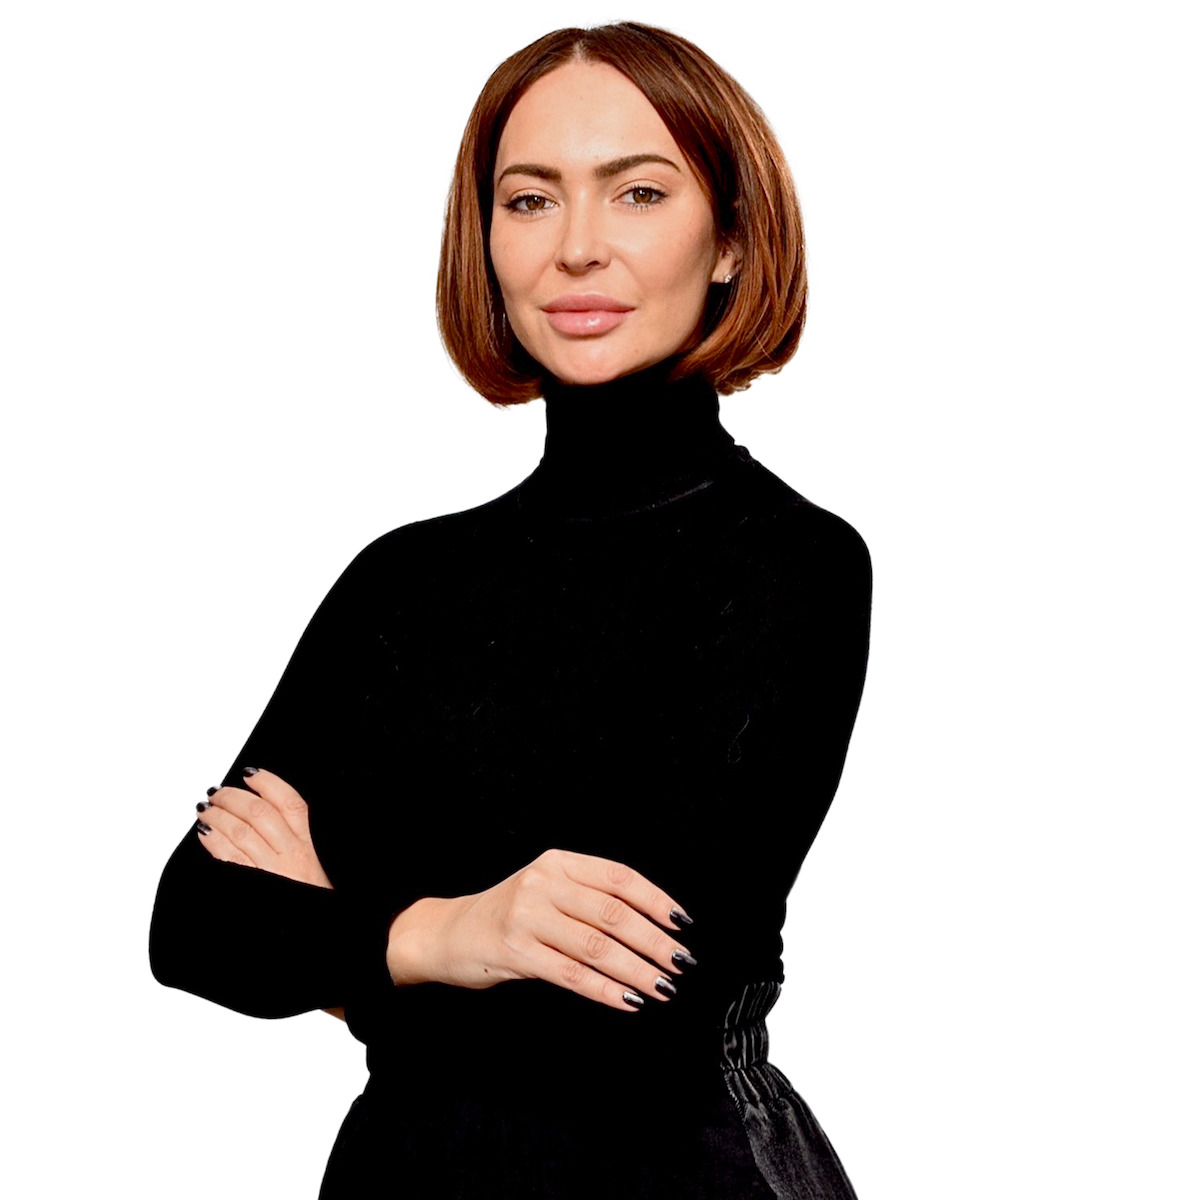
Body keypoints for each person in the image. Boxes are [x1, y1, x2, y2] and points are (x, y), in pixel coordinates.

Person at [149, 21, 872, 1199]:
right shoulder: (403, 579)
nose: (577, 247)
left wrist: (341, 934)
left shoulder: (792, 562)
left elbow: (631, 1004)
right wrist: (456, 934)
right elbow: (193, 925)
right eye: (530, 200)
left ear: (734, 238)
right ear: (484, 242)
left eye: (638, 193)